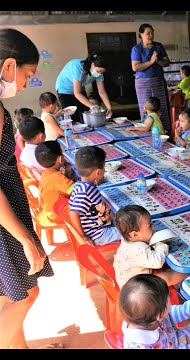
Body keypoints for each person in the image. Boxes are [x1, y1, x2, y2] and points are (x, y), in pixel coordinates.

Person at [0, 28, 60, 349]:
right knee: (24, 294)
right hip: (4, 218)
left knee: (8, 294)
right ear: (9, 66)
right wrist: (24, 237)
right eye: (27, 75)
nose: (24, 84)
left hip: (5, 212)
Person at [119, 273, 190, 349]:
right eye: (168, 301)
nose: (170, 302)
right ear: (160, 316)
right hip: (178, 345)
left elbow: (171, 315)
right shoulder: (140, 344)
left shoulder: (141, 316)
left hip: (175, 337)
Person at [113, 205, 187, 289]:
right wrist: (161, 244)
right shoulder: (137, 249)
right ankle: (188, 273)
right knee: (165, 278)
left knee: (165, 267)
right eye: (149, 225)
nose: (153, 227)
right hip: (136, 290)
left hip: (132, 280)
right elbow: (157, 262)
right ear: (134, 235)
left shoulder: (128, 240)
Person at [68, 146, 121, 246]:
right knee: (131, 233)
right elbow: (73, 213)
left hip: (100, 225)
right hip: (97, 234)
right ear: (98, 172)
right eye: (104, 168)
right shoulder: (85, 191)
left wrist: (116, 217)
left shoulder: (80, 185)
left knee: (125, 221)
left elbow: (101, 208)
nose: (105, 170)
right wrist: (83, 236)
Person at [131, 23, 171, 133]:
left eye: (152, 33)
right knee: (146, 106)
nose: (151, 35)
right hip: (142, 82)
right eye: (148, 33)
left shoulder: (158, 46)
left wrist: (157, 60)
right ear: (141, 35)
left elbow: (167, 62)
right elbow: (135, 67)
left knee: (160, 105)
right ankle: (147, 129)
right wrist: (151, 62)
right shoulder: (136, 49)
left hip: (158, 80)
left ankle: (164, 131)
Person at [56, 53, 113, 124]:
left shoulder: (99, 73)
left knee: (85, 115)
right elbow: (77, 93)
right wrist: (92, 106)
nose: (100, 74)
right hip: (65, 90)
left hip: (80, 90)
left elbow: (101, 92)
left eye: (102, 72)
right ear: (92, 64)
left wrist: (109, 108)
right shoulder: (77, 66)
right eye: (98, 71)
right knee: (72, 118)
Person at [34, 141, 76, 223]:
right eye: (63, 154)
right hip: (58, 215)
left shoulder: (46, 173)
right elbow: (75, 191)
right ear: (60, 159)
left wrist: (68, 173)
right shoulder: (57, 177)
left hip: (49, 211)